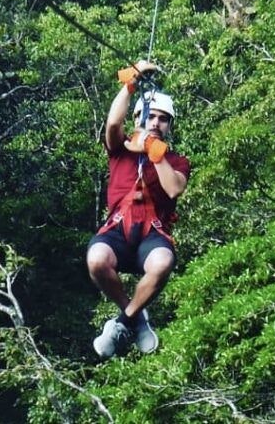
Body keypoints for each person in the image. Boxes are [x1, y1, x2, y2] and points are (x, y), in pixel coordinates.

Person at [86, 61, 191, 358]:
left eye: (163, 119)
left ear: (169, 126)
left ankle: (124, 321)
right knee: (96, 259)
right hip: (119, 228)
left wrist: (155, 152)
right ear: (138, 118)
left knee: (163, 262)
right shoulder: (120, 149)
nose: (156, 123)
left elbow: (174, 188)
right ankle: (136, 318)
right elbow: (112, 124)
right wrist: (131, 83)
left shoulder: (176, 161)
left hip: (151, 234)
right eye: (151, 116)